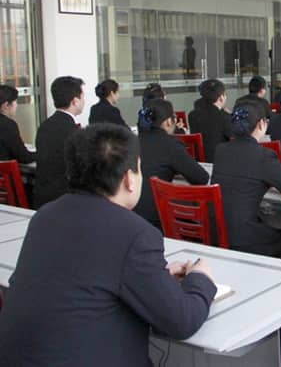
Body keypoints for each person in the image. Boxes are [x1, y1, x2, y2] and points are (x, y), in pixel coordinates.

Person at [0, 124, 216, 366]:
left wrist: (157, 277)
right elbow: (182, 321)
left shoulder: (45, 216)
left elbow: (86, 282)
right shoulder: (135, 233)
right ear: (129, 179)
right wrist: (200, 278)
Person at [213, 102, 281, 258]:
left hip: (217, 231)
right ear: (261, 124)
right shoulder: (263, 155)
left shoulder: (220, 150)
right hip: (243, 237)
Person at [134, 99, 210, 230]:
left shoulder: (132, 141)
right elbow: (201, 178)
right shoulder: (170, 144)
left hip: (132, 214)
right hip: (158, 220)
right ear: (169, 121)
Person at [33, 76, 85, 208]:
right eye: (82, 97)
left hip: (42, 198)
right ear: (75, 101)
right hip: (67, 201)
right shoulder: (74, 132)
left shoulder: (44, 126)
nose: (84, 101)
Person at [188, 79, 232, 163]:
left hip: (199, 164)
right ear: (221, 97)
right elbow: (236, 139)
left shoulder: (192, 115)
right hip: (221, 163)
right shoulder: (224, 117)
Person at [0, 85, 35, 164]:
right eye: (15, 101)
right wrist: (41, 154)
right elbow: (24, 157)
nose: (17, 105)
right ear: (6, 105)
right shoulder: (8, 125)